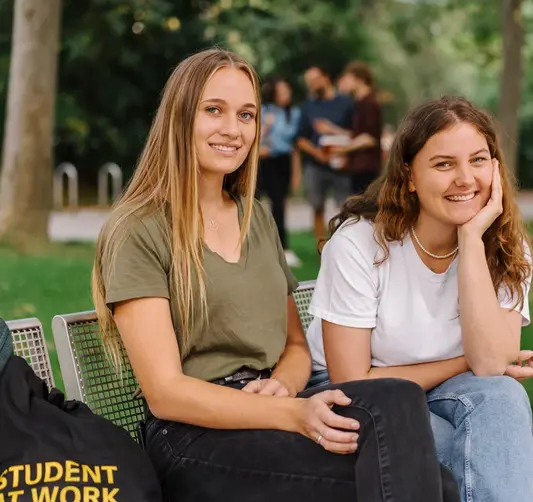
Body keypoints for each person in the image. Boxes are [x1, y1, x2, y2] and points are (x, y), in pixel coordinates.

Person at [92, 49, 459, 502]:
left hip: (275, 404)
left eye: (246, 114)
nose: (233, 129)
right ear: (179, 117)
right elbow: (166, 393)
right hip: (193, 436)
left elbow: (294, 345)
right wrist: (292, 413)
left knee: (398, 404)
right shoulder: (139, 229)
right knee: (417, 485)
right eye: (214, 110)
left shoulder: (257, 219)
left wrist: (285, 386)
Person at [306, 95, 533, 501]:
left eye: (478, 160)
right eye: (444, 164)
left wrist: (470, 238)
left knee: (504, 397)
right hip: (354, 394)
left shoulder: (507, 245)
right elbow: (354, 381)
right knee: (455, 444)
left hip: (449, 387)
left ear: (496, 168)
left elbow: (490, 368)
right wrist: (468, 360)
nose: (465, 178)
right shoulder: (360, 243)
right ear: (409, 175)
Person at [296, 65, 354, 242]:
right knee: (317, 207)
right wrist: (317, 153)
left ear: (326, 77)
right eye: (309, 83)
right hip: (315, 165)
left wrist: (333, 132)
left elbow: (355, 134)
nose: (312, 85)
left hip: (341, 164)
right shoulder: (307, 107)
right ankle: (321, 248)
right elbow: (300, 139)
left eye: (315, 80)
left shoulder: (346, 103)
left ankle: (346, 246)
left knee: (346, 208)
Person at [316, 61, 382, 195]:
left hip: (366, 166)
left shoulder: (369, 103)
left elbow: (369, 138)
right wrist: (332, 129)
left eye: (348, 78)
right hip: (357, 167)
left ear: (359, 79)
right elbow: (358, 133)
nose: (345, 82)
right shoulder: (359, 103)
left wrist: (342, 150)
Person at [257, 77, 302, 268]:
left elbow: (294, 144)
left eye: (287, 91)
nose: (286, 94)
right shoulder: (262, 110)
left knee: (280, 205)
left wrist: (296, 174)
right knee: (254, 203)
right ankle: (256, 247)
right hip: (262, 161)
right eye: (282, 91)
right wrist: (266, 125)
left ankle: (283, 248)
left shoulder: (294, 113)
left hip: (282, 161)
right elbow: (255, 136)